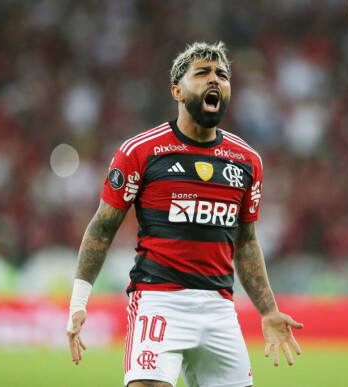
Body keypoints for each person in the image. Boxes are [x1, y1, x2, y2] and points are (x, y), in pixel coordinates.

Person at [67, 41, 303, 387]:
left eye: (221, 75)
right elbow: (102, 228)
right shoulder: (140, 151)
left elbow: (247, 243)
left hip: (220, 308)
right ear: (177, 90)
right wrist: (79, 301)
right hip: (159, 301)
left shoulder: (247, 160)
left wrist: (267, 310)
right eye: (202, 73)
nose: (214, 80)